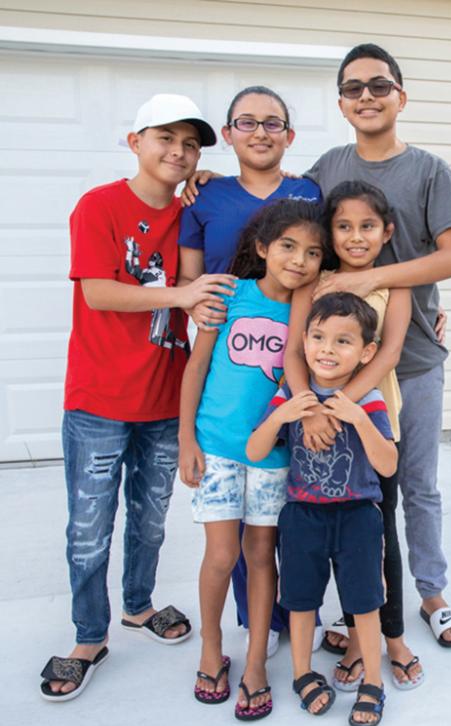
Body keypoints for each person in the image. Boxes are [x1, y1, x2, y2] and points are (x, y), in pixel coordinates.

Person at [39, 94, 237, 702]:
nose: (178, 153)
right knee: (90, 526)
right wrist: (181, 296)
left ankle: (138, 605)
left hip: (160, 401)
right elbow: (99, 292)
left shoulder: (192, 212)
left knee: (150, 522)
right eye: (165, 139)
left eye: (191, 145)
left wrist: (214, 180)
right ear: (135, 142)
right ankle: (87, 636)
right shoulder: (99, 205)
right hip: (98, 400)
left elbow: (235, 214)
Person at [305, 43, 451, 649]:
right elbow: (282, 225)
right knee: (350, 491)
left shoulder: (429, 171)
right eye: (353, 88)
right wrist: (213, 182)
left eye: (379, 85)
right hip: (343, 363)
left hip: (416, 358)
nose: (367, 96)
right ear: (342, 102)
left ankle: (432, 593)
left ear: (401, 96)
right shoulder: (325, 168)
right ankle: (357, 607)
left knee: (417, 483)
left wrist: (374, 278)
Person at [178, 85, 322, 657]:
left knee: (266, 545)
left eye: (273, 123)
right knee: (225, 550)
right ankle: (225, 640)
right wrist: (185, 434)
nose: (260, 132)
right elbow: (192, 290)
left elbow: (338, 249)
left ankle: (265, 641)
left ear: (290, 135)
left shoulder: (309, 193)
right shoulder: (206, 199)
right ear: (230, 131)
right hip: (220, 415)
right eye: (246, 122)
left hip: (275, 426)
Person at [285, 179, 424, 690]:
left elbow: (387, 353)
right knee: (327, 530)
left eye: (367, 226)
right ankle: (352, 630)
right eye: (343, 226)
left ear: (385, 232)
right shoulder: (315, 280)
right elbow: (293, 352)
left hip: (372, 421)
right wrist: (310, 410)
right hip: (313, 425)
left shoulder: (396, 283)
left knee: (378, 530)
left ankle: (392, 638)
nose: (355, 236)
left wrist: (343, 407)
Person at [247, 292, 397, 726]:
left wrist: (358, 417)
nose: (327, 349)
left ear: (367, 352)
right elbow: (255, 450)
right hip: (302, 515)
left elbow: (387, 464)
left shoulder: (367, 398)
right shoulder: (292, 395)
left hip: (357, 516)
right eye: (318, 337)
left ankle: (373, 680)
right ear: (304, 341)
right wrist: (281, 417)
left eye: (343, 341)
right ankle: (301, 673)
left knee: (365, 602)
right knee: (300, 600)